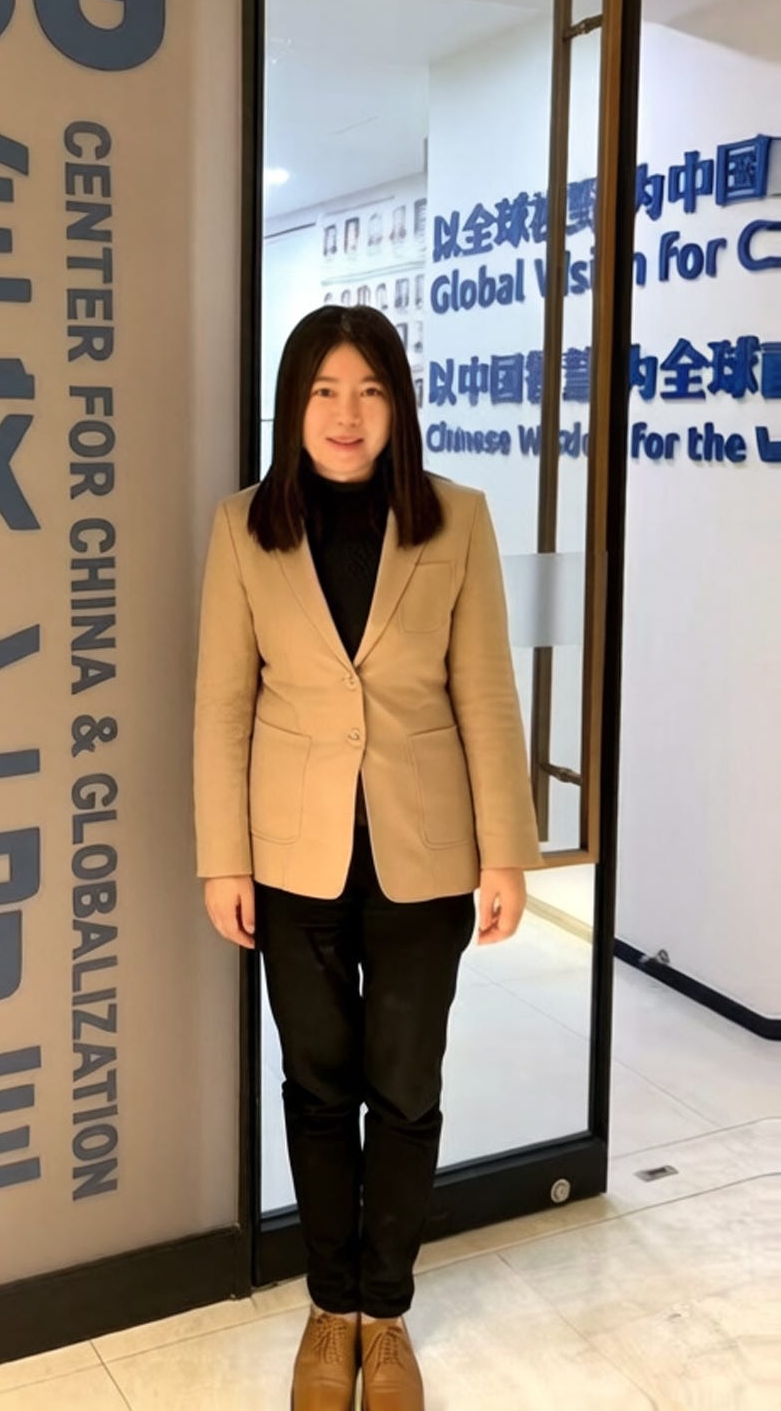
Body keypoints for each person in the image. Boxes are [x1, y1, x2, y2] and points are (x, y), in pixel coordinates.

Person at [194, 305, 540, 1411]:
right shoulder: (244, 527)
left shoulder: (456, 518)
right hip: (289, 861)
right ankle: (328, 1308)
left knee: (404, 1087)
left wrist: (506, 854)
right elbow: (222, 707)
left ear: (398, 405)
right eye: (323, 392)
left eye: (370, 391)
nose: (346, 415)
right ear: (292, 407)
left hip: (422, 858)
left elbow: (486, 694)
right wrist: (222, 859)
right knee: (315, 1085)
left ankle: (384, 1315)